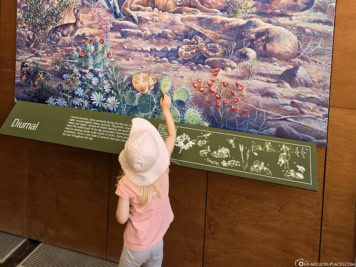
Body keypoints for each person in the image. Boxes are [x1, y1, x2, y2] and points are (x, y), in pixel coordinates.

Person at [115, 94, 176, 267]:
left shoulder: (126, 184)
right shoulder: (163, 169)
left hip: (136, 245)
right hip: (157, 240)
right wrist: (166, 109)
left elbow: (121, 218)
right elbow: (171, 136)